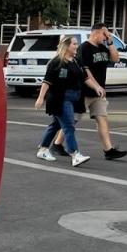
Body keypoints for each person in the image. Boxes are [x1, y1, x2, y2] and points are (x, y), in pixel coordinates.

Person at [53, 23, 127, 160]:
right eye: (104, 34)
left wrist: (111, 42)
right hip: (83, 91)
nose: (106, 37)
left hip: (98, 93)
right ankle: (57, 144)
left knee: (102, 118)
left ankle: (108, 150)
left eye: (107, 35)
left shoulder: (104, 48)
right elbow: (85, 71)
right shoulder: (84, 48)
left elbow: (116, 58)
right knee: (73, 120)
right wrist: (96, 86)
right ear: (96, 33)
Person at [34, 34, 104, 168]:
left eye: (77, 44)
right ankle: (75, 154)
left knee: (56, 125)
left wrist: (96, 87)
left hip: (74, 98)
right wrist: (40, 98)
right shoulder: (56, 62)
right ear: (66, 46)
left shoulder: (76, 61)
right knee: (69, 126)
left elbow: (85, 78)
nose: (77, 46)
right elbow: (46, 82)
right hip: (60, 99)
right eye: (74, 44)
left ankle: (43, 149)